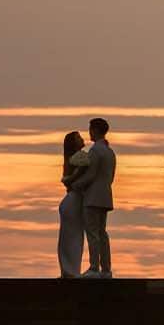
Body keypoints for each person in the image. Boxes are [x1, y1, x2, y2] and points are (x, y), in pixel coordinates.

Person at [72, 117, 118, 278]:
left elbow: (90, 175)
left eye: (90, 129)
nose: (89, 132)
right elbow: (110, 177)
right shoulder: (110, 152)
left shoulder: (95, 151)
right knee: (102, 233)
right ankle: (106, 269)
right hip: (105, 195)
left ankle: (94, 267)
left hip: (92, 197)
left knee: (92, 232)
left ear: (96, 130)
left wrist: (75, 184)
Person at [57, 131, 91, 278]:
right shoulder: (80, 157)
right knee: (74, 238)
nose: (82, 138)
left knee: (68, 238)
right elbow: (75, 178)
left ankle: (68, 270)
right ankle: (71, 271)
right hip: (74, 201)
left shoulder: (73, 158)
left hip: (70, 201)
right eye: (78, 138)